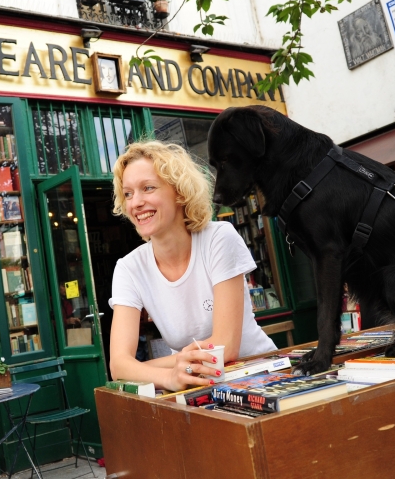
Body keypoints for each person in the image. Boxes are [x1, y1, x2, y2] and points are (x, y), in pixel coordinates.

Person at [108, 142, 277, 391]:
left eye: (148, 188)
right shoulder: (128, 268)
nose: (136, 203)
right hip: (196, 387)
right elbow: (119, 367)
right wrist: (169, 377)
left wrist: (153, 367)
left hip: (260, 375)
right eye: (129, 193)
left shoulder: (218, 239)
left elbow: (225, 348)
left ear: (179, 192)